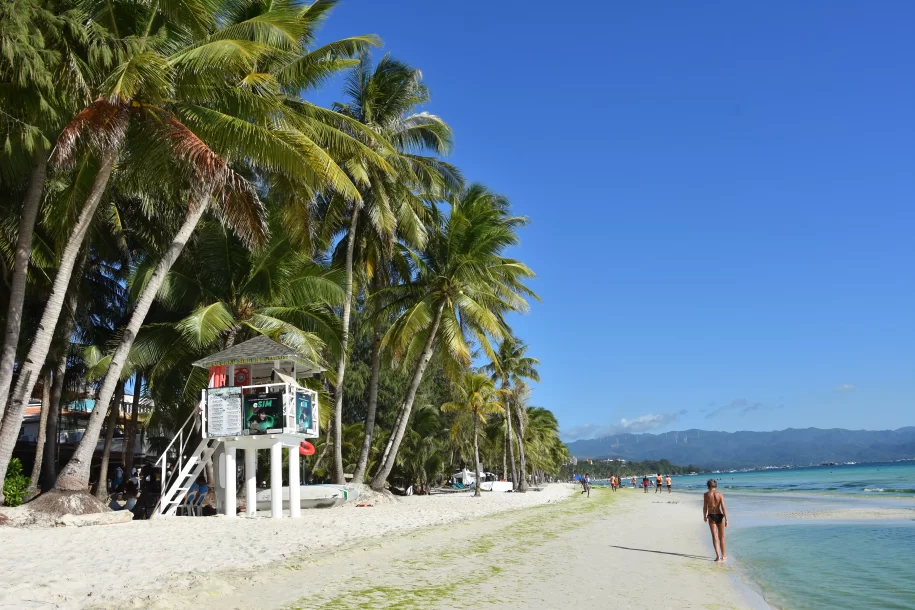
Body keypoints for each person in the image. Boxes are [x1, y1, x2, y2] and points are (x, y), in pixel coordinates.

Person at [703, 479, 729, 561]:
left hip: (711, 516)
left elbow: (705, 507)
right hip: (720, 515)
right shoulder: (720, 494)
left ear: (708, 486)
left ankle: (718, 556)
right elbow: (723, 507)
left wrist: (704, 516)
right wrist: (726, 519)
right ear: (716, 486)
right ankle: (723, 556)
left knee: (714, 536)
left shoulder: (706, 494)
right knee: (722, 537)